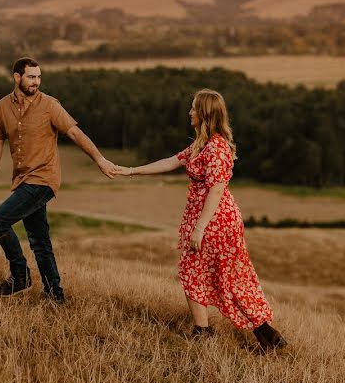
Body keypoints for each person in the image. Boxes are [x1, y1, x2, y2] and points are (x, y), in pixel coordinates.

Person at [114, 89, 287, 351]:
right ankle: (267, 335)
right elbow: (171, 161)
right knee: (224, 277)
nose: (190, 112)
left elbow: (216, 190)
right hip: (211, 220)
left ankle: (205, 332)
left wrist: (199, 229)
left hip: (215, 221)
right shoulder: (201, 144)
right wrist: (131, 171)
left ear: (205, 113)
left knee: (202, 273)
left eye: (194, 108)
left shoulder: (216, 147)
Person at [0, 57, 117, 304]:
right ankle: (55, 294)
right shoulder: (1, 108)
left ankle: (19, 276)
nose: (36, 82)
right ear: (17, 77)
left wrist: (100, 159)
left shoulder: (50, 105)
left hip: (44, 179)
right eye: (31, 77)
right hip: (22, 180)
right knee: (39, 239)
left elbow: (74, 132)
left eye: (39, 77)